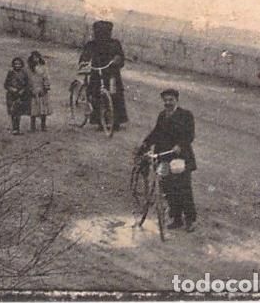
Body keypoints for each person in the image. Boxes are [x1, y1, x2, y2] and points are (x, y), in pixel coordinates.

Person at [137, 88, 198, 232]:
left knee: (183, 188)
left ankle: (189, 219)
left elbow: (190, 135)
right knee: (167, 187)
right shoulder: (162, 115)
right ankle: (176, 218)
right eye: (165, 100)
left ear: (177, 100)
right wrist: (145, 144)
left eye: (171, 100)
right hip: (163, 157)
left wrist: (180, 145)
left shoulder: (186, 115)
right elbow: (156, 133)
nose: (168, 103)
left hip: (180, 158)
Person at [79, 20, 129, 130]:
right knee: (96, 95)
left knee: (115, 96)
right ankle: (100, 122)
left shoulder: (115, 44)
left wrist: (117, 59)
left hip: (112, 74)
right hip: (97, 73)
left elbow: (120, 57)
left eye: (106, 32)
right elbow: (85, 56)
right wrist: (84, 62)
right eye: (99, 32)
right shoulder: (92, 44)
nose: (102, 35)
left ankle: (115, 122)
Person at [4, 57, 31, 135]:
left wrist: (23, 90)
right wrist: (12, 89)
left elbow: (27, 84)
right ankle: (14, 128)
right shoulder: (10, 73)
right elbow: (6, 84)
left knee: (18, 112)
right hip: (11, 95)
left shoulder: (24, 73)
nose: (17, 65)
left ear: (21, 64)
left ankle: (17, 128)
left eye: (19, 64)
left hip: (20, 95)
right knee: (13, 112)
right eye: (15, 64)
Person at [26, 51, 51, 132]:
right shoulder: (29, 68)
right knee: (33, 108)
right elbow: (27, 79)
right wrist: (29, 89)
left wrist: (45, 87)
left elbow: (46, 77)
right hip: (33, 89)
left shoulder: (43, 67)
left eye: (37, 57)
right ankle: (32, 126)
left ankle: (43, 125)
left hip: (42, 89)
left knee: (43, 108)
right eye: (34, 58)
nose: (35, 59)